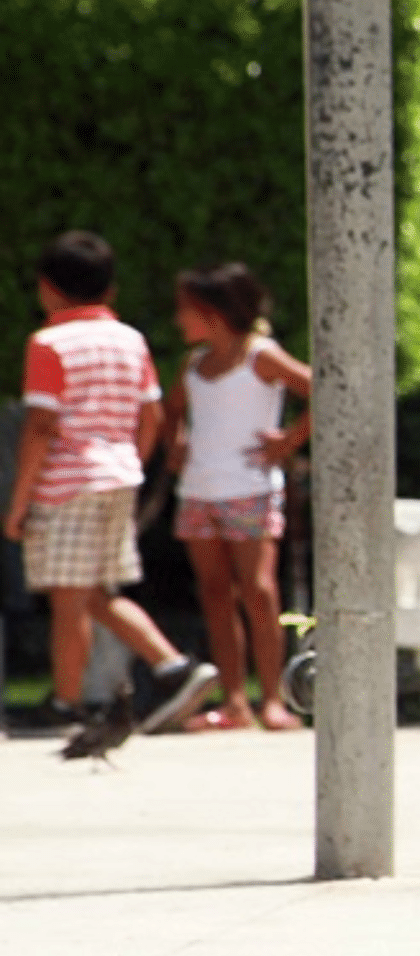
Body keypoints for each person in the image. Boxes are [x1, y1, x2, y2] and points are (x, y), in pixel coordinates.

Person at [5, 232, 219, 734]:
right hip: (118, 480)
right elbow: (152, 415)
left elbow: (40, 427)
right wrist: (130, 463)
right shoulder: (130, 339)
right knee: (92, 591)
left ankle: (66, 703)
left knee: (67, 598)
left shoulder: (49, 343)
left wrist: (18, 503)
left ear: (49, 289)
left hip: (66, 484)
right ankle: (173, 669)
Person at [164, 263, 311, 732]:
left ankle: (272, 699)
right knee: (214, 594)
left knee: (259, 591)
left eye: (186, 311)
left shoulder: (260, 357)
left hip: (249, 489)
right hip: (200, 492)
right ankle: (234, 702)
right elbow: (171, 409)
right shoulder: (193, 366)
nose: (178, 320)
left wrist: (288, 441)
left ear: (212, 313)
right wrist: (176, 446)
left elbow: (318, 388)